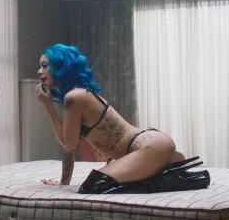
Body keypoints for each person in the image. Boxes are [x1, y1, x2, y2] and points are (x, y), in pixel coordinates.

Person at [35, 43, 209, 194]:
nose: (39, 72)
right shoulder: (77, 95)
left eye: (44, 66)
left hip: (147, 145)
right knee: (97, 182)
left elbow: (68, 143)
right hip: (149, 143)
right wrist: (64, 182)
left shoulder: (74, 97)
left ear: (60, 66)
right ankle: (162, 171)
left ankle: (168, 178)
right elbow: (70, 148)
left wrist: (48, 106)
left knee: (94, 185)